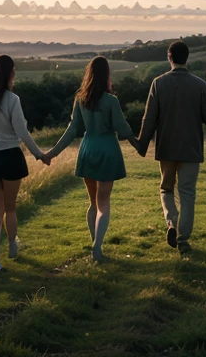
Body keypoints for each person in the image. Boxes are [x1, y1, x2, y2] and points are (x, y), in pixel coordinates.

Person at [135, 41, 206, 254]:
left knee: (166, 188)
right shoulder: (200, 85)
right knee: (187, 194)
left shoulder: (158, 83)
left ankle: (171, 222)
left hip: (167, 148)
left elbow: (149, 118)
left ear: (169, 57)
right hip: (191, 148)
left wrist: (142, 145)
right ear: (187, 58)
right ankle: (183, 239)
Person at [46, 56, 140, 261]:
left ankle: (93, 240)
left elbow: (72, 130)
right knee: (104, 203)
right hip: (107, 150)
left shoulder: (81, 99)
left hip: (88, 150)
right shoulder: (111, 101)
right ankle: (97, 246)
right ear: (106, 74)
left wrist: (52, 153)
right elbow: (121, 126)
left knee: (93, 203)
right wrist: (137, 144)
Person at [0, 55, 51, 275]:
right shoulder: (12, 99)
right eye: (13, 70)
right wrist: (39, 154)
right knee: (11, 207)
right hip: (10, 157)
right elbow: (22, 132)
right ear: (9, 73)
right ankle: (13, 244)